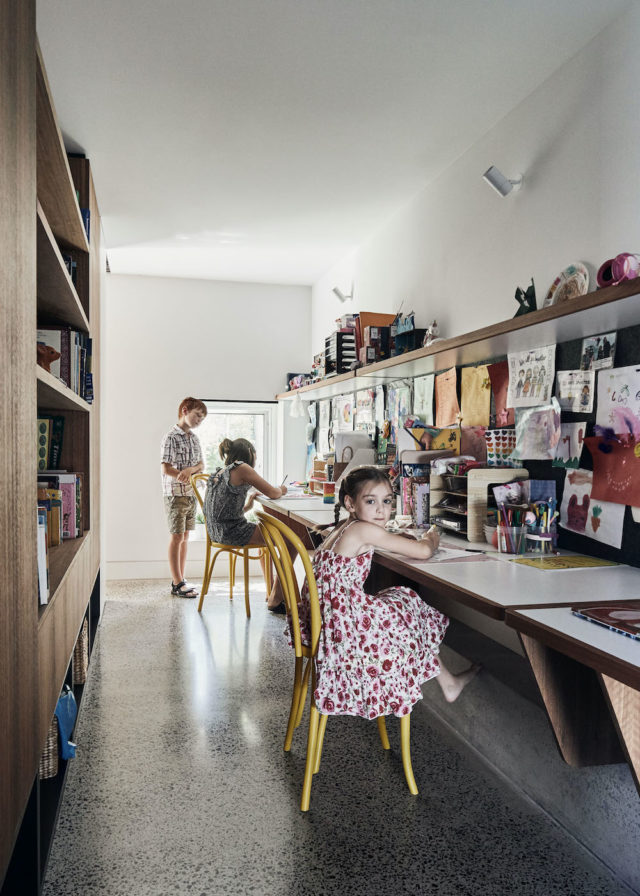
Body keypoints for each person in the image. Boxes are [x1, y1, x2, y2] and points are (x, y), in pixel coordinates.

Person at [297, 467, 479, 719]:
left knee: (399, 603)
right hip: (345, 635)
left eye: (387, 501)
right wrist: (431, 535)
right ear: (350, 503)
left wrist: (393, 537)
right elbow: (424, 552)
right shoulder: (365, 530)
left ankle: (447, 682)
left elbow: (379, 539)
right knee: (408, 601)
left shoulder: (343, 527)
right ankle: (447, 682)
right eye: (371, 501)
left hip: (323, 624)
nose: (381, 510)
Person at [204, 438, 289, 611]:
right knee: (289, 541)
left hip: (216, 532)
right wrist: (282, 488)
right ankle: (277, 597)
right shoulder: (242, 467)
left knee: (266, 544)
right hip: (232, 532)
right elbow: (273, 493)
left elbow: (219, 511)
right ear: (250, 453)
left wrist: (247, 507)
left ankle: (271, 591)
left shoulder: (219, 473)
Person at [161, 397, 207, 598]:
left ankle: (179, 580)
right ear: (185, 410)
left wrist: (191, 470)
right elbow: (166, 468)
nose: (199, 420)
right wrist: (183, 473)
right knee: (177, 536)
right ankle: (177, 582)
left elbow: (201, 465)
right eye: (197, 415)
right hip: (175, 494)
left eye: (202, 418)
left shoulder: (194, 439)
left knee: (186, 537)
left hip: (191, 493)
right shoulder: (171, 437)